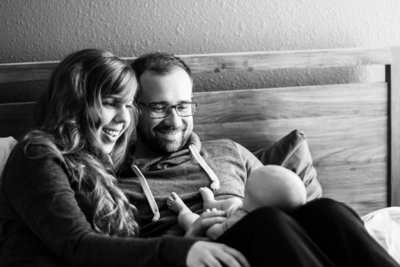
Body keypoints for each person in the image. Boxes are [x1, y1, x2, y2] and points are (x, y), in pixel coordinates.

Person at [118, 51, 400, 267]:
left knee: (326, 211)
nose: (174, 120)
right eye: (158, 107)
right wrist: (184, 242)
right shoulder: (115, 180)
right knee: (266, 222)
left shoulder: (228, 151)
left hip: (272, 247)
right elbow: (119, 253)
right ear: (133, 109)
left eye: (182, 106)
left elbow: (286, 201)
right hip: (202, 257)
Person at [0, 49, 249, 267]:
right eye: (111, 103)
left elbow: (121, 251)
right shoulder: (36, 155)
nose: (124, 119)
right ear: (74, 103)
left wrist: (189, 237)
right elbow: (77, 246)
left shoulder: (96, 167)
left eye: (128, 105)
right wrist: (180, 250)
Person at [167, 164, 307, 240]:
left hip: (219, 232)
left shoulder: (238, 224)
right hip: (237, 208)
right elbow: (241, 204)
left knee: (193, 220)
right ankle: (211, 202)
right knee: (233, 201)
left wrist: (211, 222)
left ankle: (182, 210)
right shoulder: (244, 206)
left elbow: (214, 233)